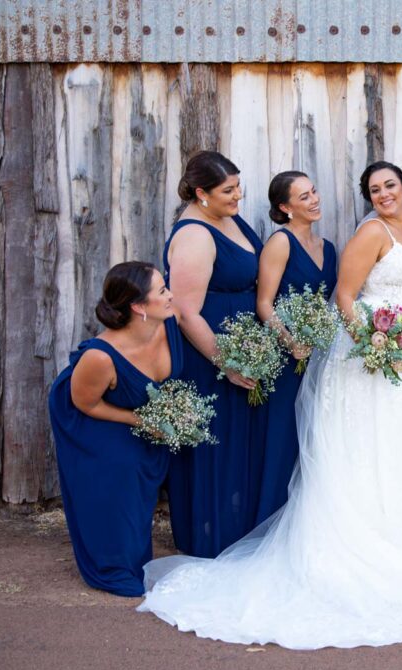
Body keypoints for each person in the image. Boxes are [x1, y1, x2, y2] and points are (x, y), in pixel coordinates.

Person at [137, 161, 402, 650]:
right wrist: (376, 343)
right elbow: (345, 297)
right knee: (371, 446)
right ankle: (367, 544)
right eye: (374, 189)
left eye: (391, 185)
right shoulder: (365, 235)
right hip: (376, 351)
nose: (383, 194)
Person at [48, 262, 182, 597]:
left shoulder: (170, 324)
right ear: (138, 307)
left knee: (147, 463)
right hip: (90, 416)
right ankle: (111, 564)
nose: (170, 295)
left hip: (135, 406)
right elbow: (86, 404)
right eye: (162, 291)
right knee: (122, 467)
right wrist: (142, 421)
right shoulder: (101, 357)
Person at [163, 151, 266, 558]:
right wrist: (227, 362)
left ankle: (237, 532)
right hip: (210, 356)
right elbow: (186, 312)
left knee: (239, 445)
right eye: (228, 190)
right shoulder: (194, 234)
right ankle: (210, 539)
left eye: (239, 186)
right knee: (216, 447)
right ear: (201, 193)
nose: (238, 195)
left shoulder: (226, 218)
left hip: (240, 345)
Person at [254, 171, 337, 524]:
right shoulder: (280, 243)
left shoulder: (328, 248)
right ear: (285, 207)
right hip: (288, 358)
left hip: (320, 355)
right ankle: (274, 521)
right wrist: (291, 341)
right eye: (303, 197)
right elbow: (264, 303)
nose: (314, 199)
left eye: (314, 191)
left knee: (318, 436)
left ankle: (310, 521)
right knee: (285, 437)